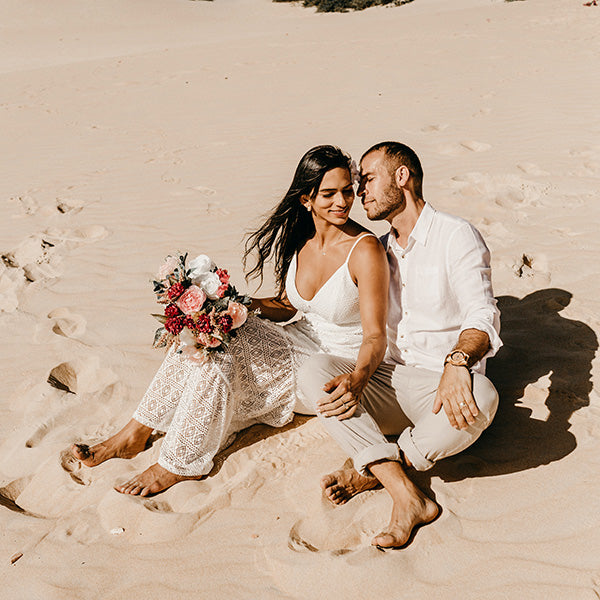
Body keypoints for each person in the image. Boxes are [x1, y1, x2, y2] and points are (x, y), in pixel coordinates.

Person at [71, 145, 390, 497]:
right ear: (306, 199)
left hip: (326, 366)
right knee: (209, 330)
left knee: (219, 346)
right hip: (295, 339)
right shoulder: (304, 239)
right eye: (329, 193)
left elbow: (375, 336)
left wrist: (358, 379)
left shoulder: (365, 249)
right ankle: (136, 431)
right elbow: (288, 305)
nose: (342, 202)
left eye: (347, 191)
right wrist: (227, 304)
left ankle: (176, 463)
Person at [298, 141, 502, 549]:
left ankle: (372, 467)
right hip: (389, 381)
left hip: (442, 388)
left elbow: (483, 314)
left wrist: (458, 363)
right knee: (314, 372)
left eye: (368, 180)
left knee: (485, 396)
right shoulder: (379, 248)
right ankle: (402, 489)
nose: (360, 193)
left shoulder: (454, 235)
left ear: (402, 177)